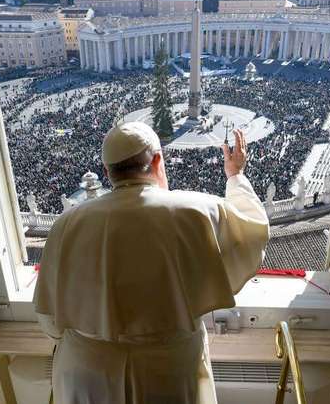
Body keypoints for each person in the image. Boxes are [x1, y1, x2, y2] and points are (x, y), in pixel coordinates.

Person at [33, 121, 270, 403]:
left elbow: (49, 319)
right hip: (168, 372)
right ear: (157, 160)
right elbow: (253, 233)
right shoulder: (196, 211)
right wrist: (235, 176)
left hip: (87, 372)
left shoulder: (66, 224)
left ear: (108, 173)